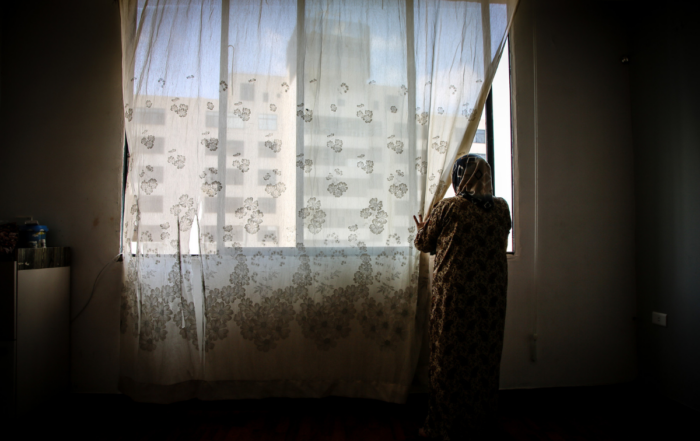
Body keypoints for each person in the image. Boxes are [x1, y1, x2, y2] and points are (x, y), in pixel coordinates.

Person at [413, 154, 512, 440]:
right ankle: (480, 424)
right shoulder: (502, 207)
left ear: (459, 178)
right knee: (484, 359)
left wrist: (422, 227)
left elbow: (424, 243)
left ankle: (445, 427)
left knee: (450, 361)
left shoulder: (449, 207)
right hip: (491, 298)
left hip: (455, 297)